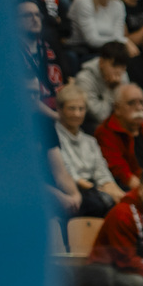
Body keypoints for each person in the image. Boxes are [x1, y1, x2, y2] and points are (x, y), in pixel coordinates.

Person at [54, 84, 121, 216]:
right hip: (73, 190)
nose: (77, 114)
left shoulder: (90, 140)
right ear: (60, 110)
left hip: (95, 188)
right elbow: (67, 173)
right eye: (71, 108)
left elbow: (101, 170)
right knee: (100, 203)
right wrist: (99, 190)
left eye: (81, 109)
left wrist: (114, 189)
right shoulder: (53, 137)